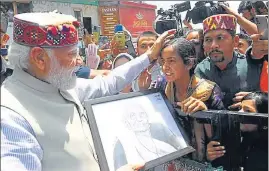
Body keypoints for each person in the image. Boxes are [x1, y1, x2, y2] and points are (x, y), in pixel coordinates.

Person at [1, 11, 176, 171]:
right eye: (71, 54)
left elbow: (110, 83)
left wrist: (148, 57)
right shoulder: (10, 116)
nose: (79, 61)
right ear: (39, 58)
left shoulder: (60, 85)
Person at [159, 38, 225, 162]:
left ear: (189, 63)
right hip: (173, 160)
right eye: (163, 61)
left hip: (203, 161)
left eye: (171, 61)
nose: (165, 67)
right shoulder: (162, 87)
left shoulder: (209, 90)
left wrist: (205, 113)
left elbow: (224, 129)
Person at [195, 14, 265, 109]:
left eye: (220, 38)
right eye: (208, 39)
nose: (213, 45)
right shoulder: (201, 70)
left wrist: (255, 100)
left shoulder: (253, 65)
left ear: (235, 41)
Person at [207, 92, 268, 171]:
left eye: (248, 111)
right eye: (240, 108)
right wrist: (210, 157)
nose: (239, 113)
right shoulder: (237, 136)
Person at [113, 104, 185, 170]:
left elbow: (181, 148)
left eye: (142, 115)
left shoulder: (160, 128)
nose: (139, 119)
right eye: (132, 116)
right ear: (126, 122)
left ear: (147, 117)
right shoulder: (123, 143)